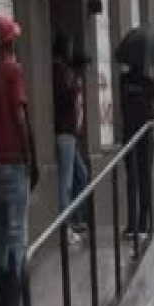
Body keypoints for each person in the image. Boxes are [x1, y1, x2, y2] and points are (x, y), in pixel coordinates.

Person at [0, 15, 41, 306]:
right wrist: (31, 159)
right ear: (9, 41)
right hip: (15, 163)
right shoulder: (12, 70)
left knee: (1, 238)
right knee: (18, 237)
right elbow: (20, 117)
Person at [52, 31, 88, 241]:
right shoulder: (59, 69)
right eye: (70, 46)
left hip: (70, 133)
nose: (71, 50)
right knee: (65, 182)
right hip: (64, 132)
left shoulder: (65, 69)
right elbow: (65, 96)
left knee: (81, 174)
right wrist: (76, 86)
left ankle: (75, 218)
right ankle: (65, 228)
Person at [119, 62, 154, 238]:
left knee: (133, 182)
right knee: (143, 181)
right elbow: (153, 112)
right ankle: (142, 223)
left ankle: (133, 224)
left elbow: (123, 108)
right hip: (143, 138)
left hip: (131, 136)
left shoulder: (123, 81)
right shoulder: (150, 83)